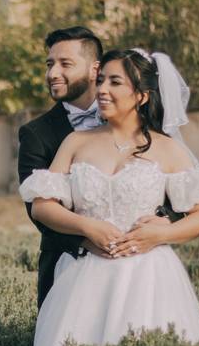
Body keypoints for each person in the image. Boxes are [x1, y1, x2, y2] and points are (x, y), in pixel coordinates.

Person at [19, 49, 199, 346]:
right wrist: (86, 227)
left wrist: (162, 233)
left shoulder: (167, 148)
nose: (102, 89)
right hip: (85, 276)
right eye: (100, 81)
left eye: (115, 82)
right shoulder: (75, 142)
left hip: (149, 278)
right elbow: (43, 207)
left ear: (141, 95)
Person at [17, 27, 181, 312]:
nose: (52, 73)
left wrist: (163, 221)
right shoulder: (36, 134)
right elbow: (38, 210)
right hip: (70, 268)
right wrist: (88, 237)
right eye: (49, 64)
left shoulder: (140, 117)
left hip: (141, 266)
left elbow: (173, 186)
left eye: (65, 64)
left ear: (95, 69)